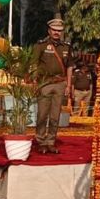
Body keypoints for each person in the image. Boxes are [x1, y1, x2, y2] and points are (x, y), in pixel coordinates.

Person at [33, 18, 73, 154]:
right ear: (49, 30)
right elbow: (34, 64)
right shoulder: (41, 45)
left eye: (59, 31)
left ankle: (50, 141)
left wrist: (68, 85)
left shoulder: (66, 46)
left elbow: (70, 66)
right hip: (45, 83)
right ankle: (41, 141)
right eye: (54, 30)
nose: (57, 33)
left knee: (55, 116)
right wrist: (34, 82)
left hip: (60, 84)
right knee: (42, 115)